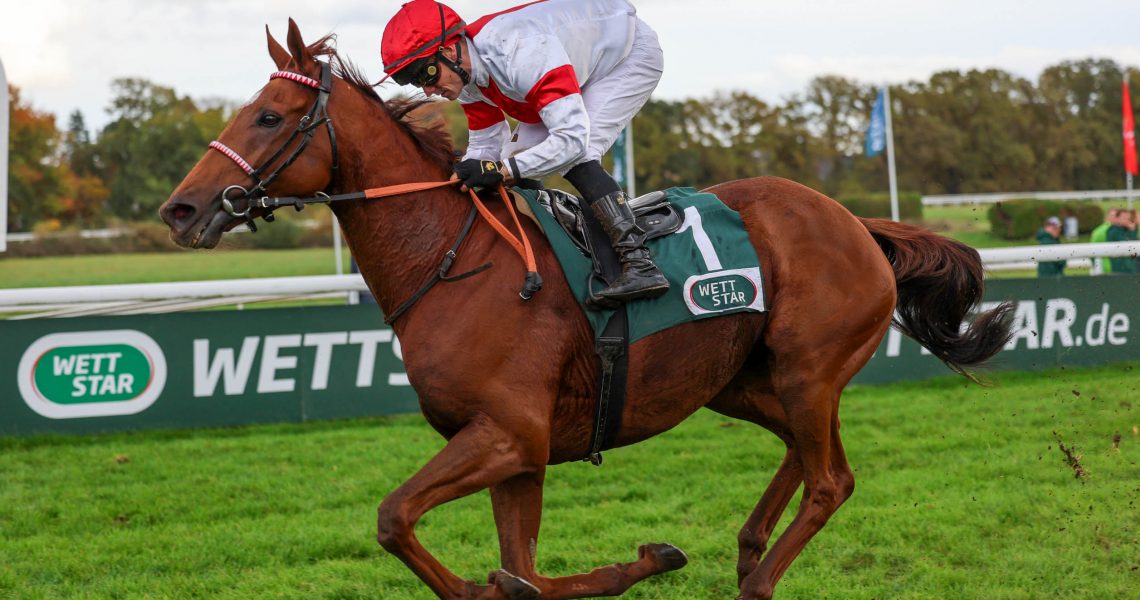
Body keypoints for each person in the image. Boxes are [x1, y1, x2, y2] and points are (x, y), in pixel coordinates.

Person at [380, 0, 669, 307]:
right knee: (515, 155)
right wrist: (465, 173)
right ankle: (550, 259)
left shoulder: (517, 50)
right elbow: (486, 147)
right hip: (572, 58)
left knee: (578, 154)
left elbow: (570, 141)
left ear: (450, 51)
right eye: (414, 81)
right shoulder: (465, 78)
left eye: (426, 75)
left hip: (626, 54)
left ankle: (639, 264)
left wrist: (501, 170)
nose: (427, 90)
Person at [1088, 208, 1120, 276]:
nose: (1117, 218)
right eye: (1114, 216)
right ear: (1107, 217)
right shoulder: (1100, 231)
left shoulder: (1120, 230)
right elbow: (1091, 251)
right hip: (1104, 268)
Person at [1106, 208, 1138, 274]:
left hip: (1132, 269)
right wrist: (1132, 230)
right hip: (1120, 269)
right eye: (1124, 218)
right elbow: (1128, 245)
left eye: (1128, 218)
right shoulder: (1113, 231)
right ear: (1117, 218)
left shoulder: (1127, 230)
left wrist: (1132, 230)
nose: (1127, 220)